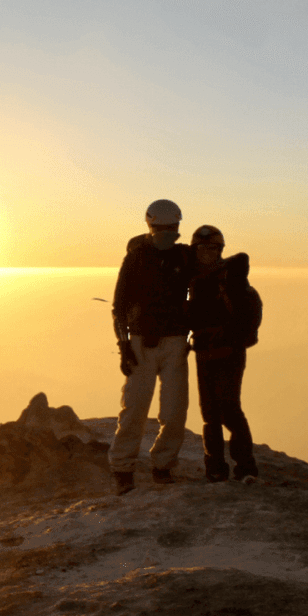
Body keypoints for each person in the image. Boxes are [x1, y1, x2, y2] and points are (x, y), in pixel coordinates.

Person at [109, 199, 195, 495]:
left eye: (172, 228)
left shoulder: (184, 257)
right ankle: (123, 468)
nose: (168, 233)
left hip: (174, 343)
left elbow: (205, 282)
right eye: (163, 228)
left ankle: (163, 465)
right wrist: (124, 347)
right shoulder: (137, 258)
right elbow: (119, 306)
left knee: (174, 412)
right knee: (134, 410)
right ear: (151, 226)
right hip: (141, 344)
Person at [186, 224, 262, 483]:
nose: (206, 252)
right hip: (205, 351)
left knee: (228, 408)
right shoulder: (195, 279)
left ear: (219, 250)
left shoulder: (230, 276)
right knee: (210, 413)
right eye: (201, 248)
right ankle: (216, 468)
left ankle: (245, 468)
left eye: (211, 248)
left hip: (228, 351)